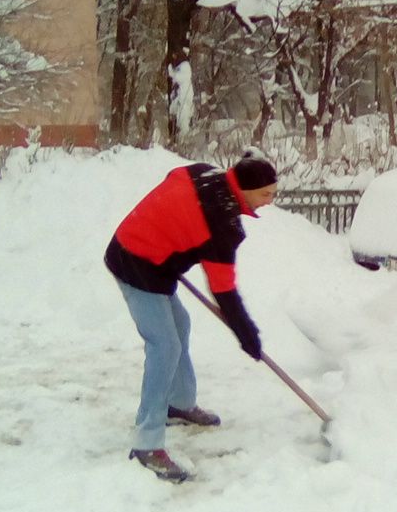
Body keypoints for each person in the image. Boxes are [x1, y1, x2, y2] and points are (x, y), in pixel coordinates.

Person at [104, 149, 277, 482]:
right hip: (133, 261)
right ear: (244, 188)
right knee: (164, 345)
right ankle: (147, 442)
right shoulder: (221, 224)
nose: (270, 200)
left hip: (155, 260)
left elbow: (174, 177)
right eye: (265, 194)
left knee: (179, 324)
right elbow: (223, 290)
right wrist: (247, 334)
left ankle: (179, 403)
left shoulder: (204, 172)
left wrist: (171, 233)